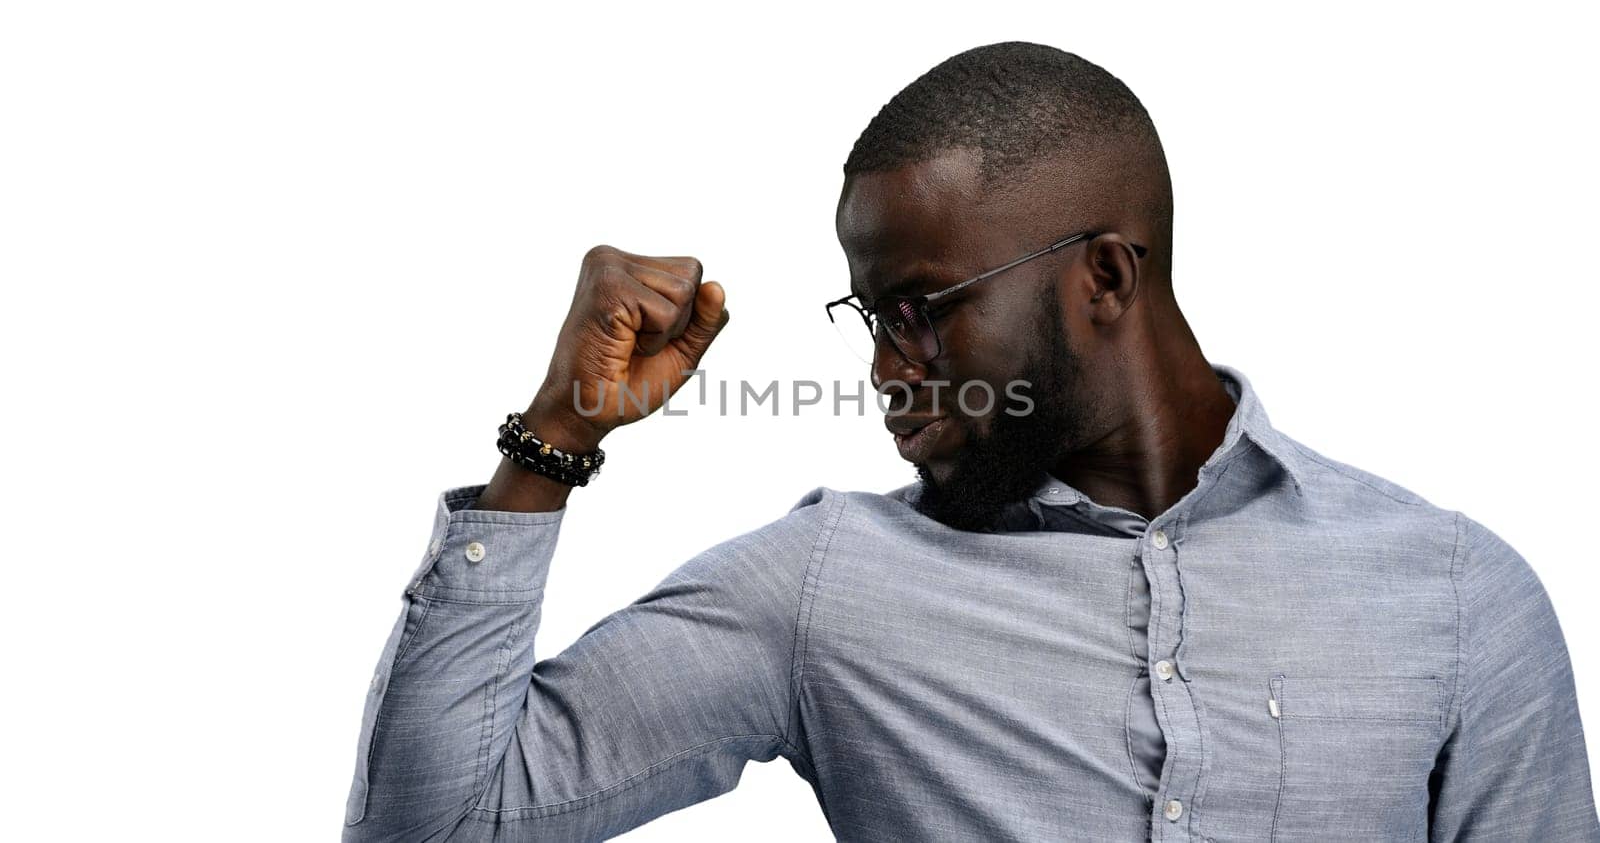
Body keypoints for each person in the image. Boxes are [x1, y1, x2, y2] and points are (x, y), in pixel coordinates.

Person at [340, 42, 1600, 841]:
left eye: (921, 310)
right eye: (868, 316)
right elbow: (438, 826)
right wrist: (551, 441)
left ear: (1104, 275)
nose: (886, 368)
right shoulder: (826, 588)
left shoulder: (1449, 599)